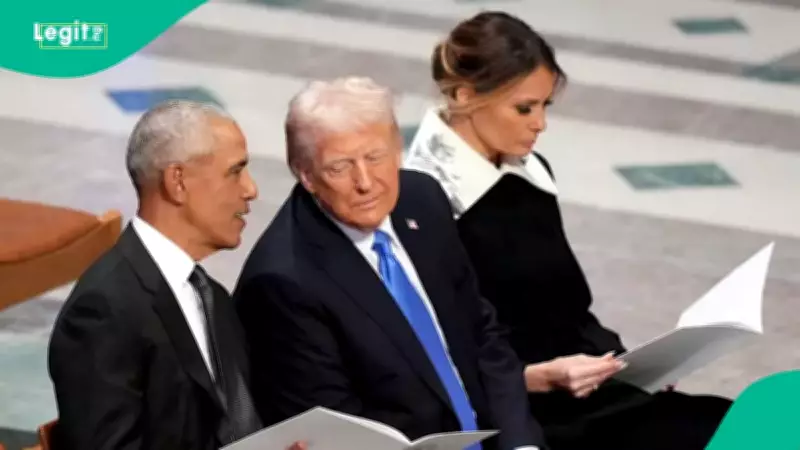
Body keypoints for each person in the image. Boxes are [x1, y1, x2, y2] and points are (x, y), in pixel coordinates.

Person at [403, 11, 733, 450]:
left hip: (588, 387)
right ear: (466, 95)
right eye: (524, 108)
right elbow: (431, 360)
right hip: (522, 413)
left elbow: (565, 306)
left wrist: (632, 364)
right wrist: (536, 378)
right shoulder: (421, 204)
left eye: (545, 106)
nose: (540, 123)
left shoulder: (529, 172)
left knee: (748, 421)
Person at [233, 77, 547, 450]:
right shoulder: (283, 282)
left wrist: (520, 444)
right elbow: (336, 433)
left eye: (375, 157)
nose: (366, 182)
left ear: (398, 148)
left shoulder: (421, 199)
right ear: (306, 174)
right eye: (340, 167)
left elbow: (481, 335)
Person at [48, 100, 305, 450]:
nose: (251, 190)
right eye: (235, 172)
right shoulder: (104, 311)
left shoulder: (212, 297)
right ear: (178, 182)